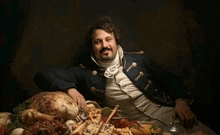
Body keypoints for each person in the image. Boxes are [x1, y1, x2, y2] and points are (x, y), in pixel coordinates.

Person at [34, 16, 197, 128]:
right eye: (98, 42)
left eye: (108, 39)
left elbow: (172, 81)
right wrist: (69, 88)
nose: (104, 45)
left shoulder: (139, 60)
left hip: (169, 116)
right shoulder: (84, 72)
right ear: (92, 47)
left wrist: (181, 102)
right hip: (132, 129)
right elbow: (42, 75)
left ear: (116, 41)